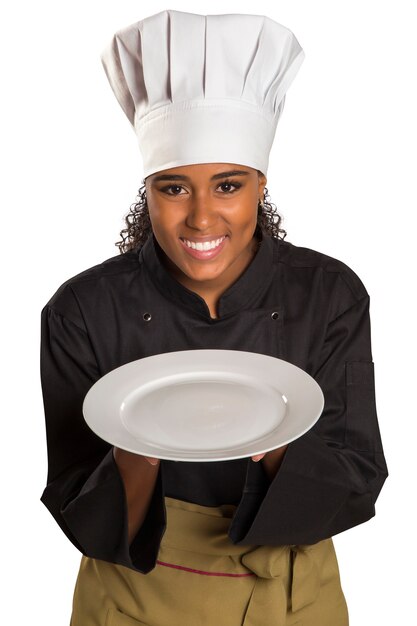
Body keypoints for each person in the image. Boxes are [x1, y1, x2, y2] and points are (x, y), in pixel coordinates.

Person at [39, 9, 388, 626]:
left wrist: (270, 440)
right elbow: (75, 505)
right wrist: (142, 442)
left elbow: (358, 480)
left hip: (290, 592)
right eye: (173, 188)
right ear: (147, 191)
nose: (201, 218)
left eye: (227, 186)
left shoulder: (328, 295)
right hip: (130, 598)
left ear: (260, 184)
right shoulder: (84, 312)